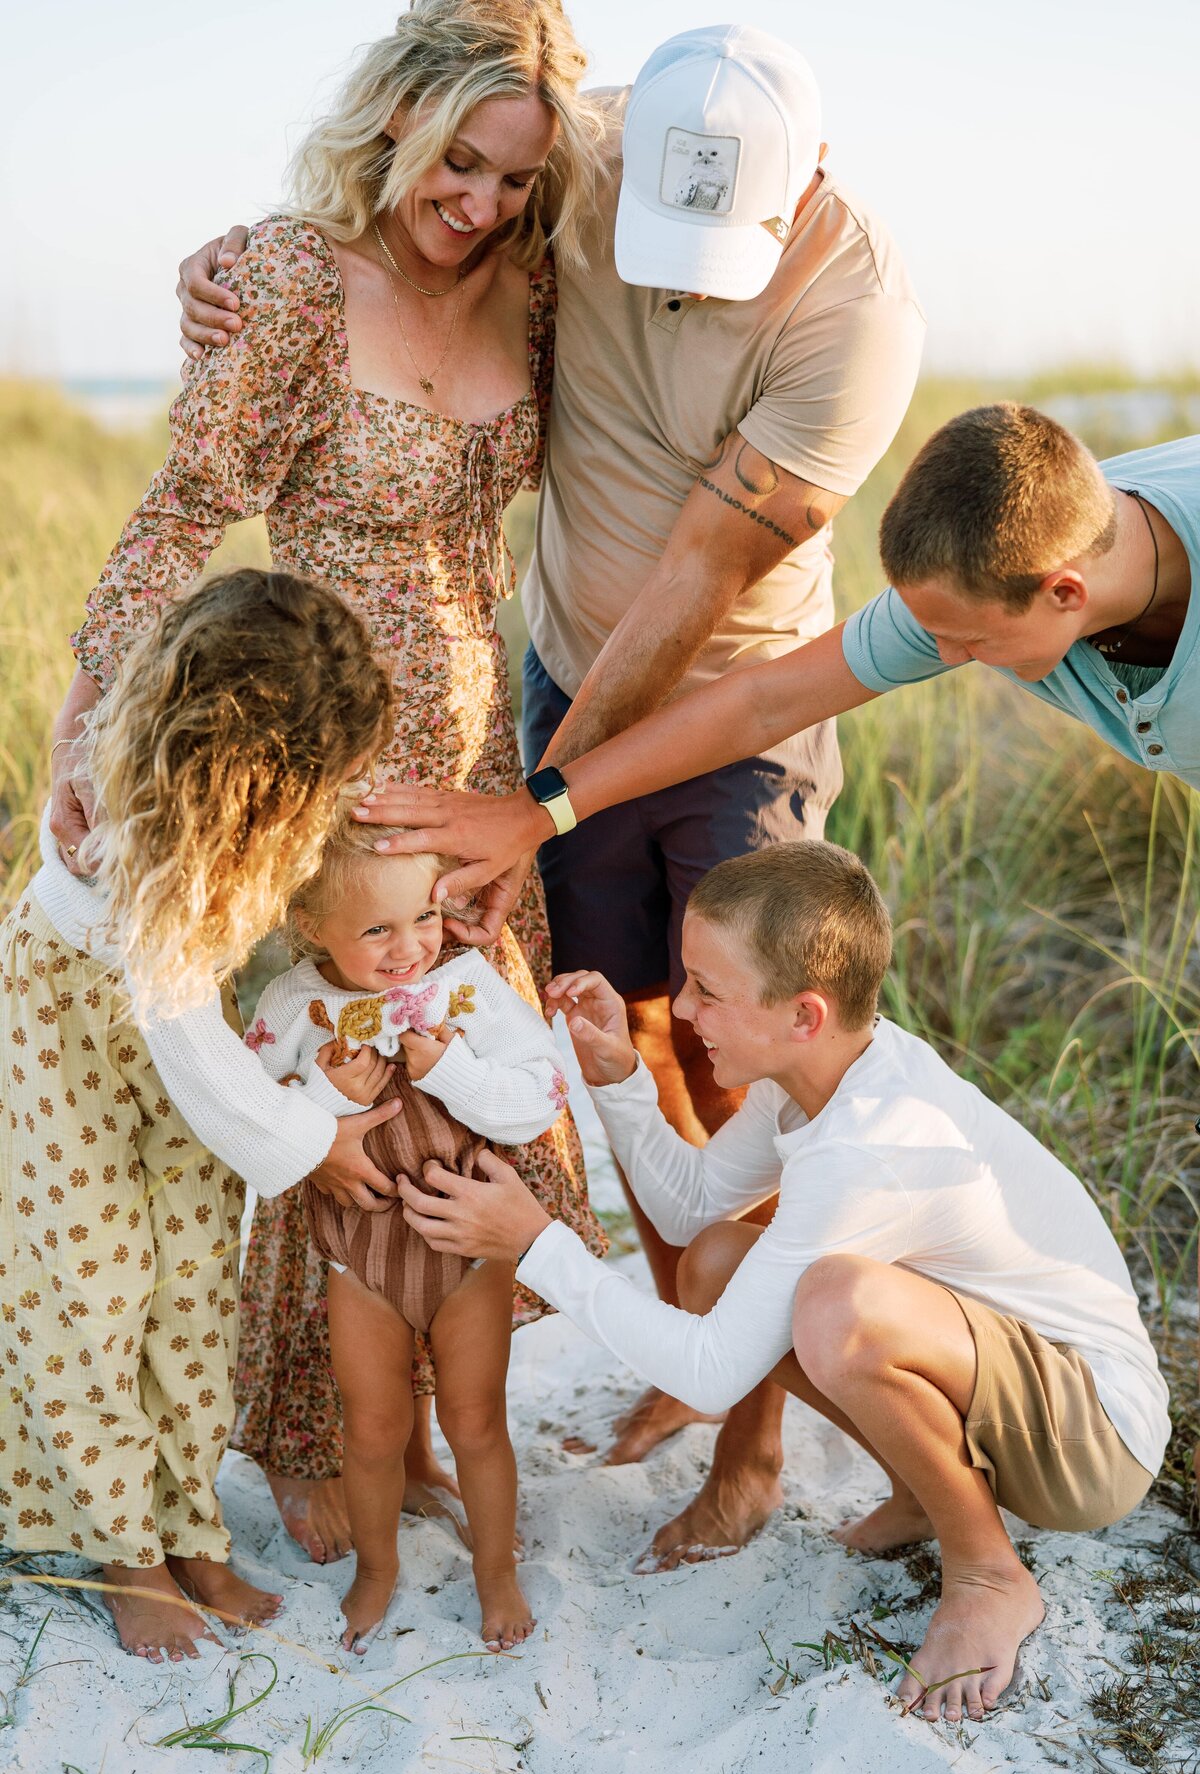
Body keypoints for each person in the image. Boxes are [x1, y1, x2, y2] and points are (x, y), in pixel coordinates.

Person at [180, 21, 925, 1558]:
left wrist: (547, 795)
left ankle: (753, 1439)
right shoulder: (587, 136)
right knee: (628, 1041)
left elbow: (707, 570)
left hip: (737, 709)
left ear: (813, 182)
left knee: (739, 1065)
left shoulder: (856, 318)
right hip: (561, 690)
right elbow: (423, 176)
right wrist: (243, 265)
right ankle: (681, 1345)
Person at [55, 0, 606, 1567]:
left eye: (514, 179)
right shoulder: (294, 280)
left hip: (482, 755)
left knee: (468, 1081)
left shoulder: (538, 284)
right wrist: (90, 702)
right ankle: (307, 1431)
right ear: (395, 122)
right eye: (461, 164)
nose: (482, 203)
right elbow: (183, 514)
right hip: (328, 755)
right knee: (336, 1076)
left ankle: (416, 1408)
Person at [395, 841, 1171, 1724]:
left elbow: (711, 1375)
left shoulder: (869, 1140)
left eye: (707, 992)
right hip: (1009, 1391)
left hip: (1094, 1440)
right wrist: (620, 1079)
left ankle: (991, 1574)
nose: (682, 1011)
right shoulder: (815, 1077)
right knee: (719, 1260)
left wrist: (533, 1243)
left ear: (805, 1014)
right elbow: (690, 1212)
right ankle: (924, 1491)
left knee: (837, 1306)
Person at [1, 567, 403, 1665]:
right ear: (245, 781)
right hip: (68, 1032)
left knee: (190, 1284)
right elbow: (182, 1034)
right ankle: (127, 1553)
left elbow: (193, 1026)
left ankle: (190, 1530)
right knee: (93, 1292)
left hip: (178, 1032)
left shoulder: (215, 797)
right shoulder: (145, 837)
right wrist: (315, 1143)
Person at [248, 818, 589, 1652]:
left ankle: (496, 1574)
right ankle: (377, 1569)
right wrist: (326, 1099)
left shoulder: (465, 982)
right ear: (309, 927)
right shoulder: (293, 1004)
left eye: (424, 919)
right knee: (370, 1431)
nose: (410, 949)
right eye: (377, 929)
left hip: (466, 1247)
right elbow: (254, 1130)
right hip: (357, 1259)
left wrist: (450, 1071)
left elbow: (541, 1093)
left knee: (476, 1422)